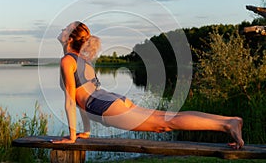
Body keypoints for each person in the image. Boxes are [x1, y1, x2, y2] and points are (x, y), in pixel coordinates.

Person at [54, 21, 244, 149]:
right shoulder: (82, 60)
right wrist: (86, 131)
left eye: (65, 29)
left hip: (104, 106)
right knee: (169, 118)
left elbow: (73, 102)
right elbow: (83, 98)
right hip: (112, 101)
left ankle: (227, 125)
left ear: (70, 38)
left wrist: (72, 136)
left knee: (164, 124)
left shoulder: (67, 61)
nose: (61, 31)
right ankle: (228, 120)